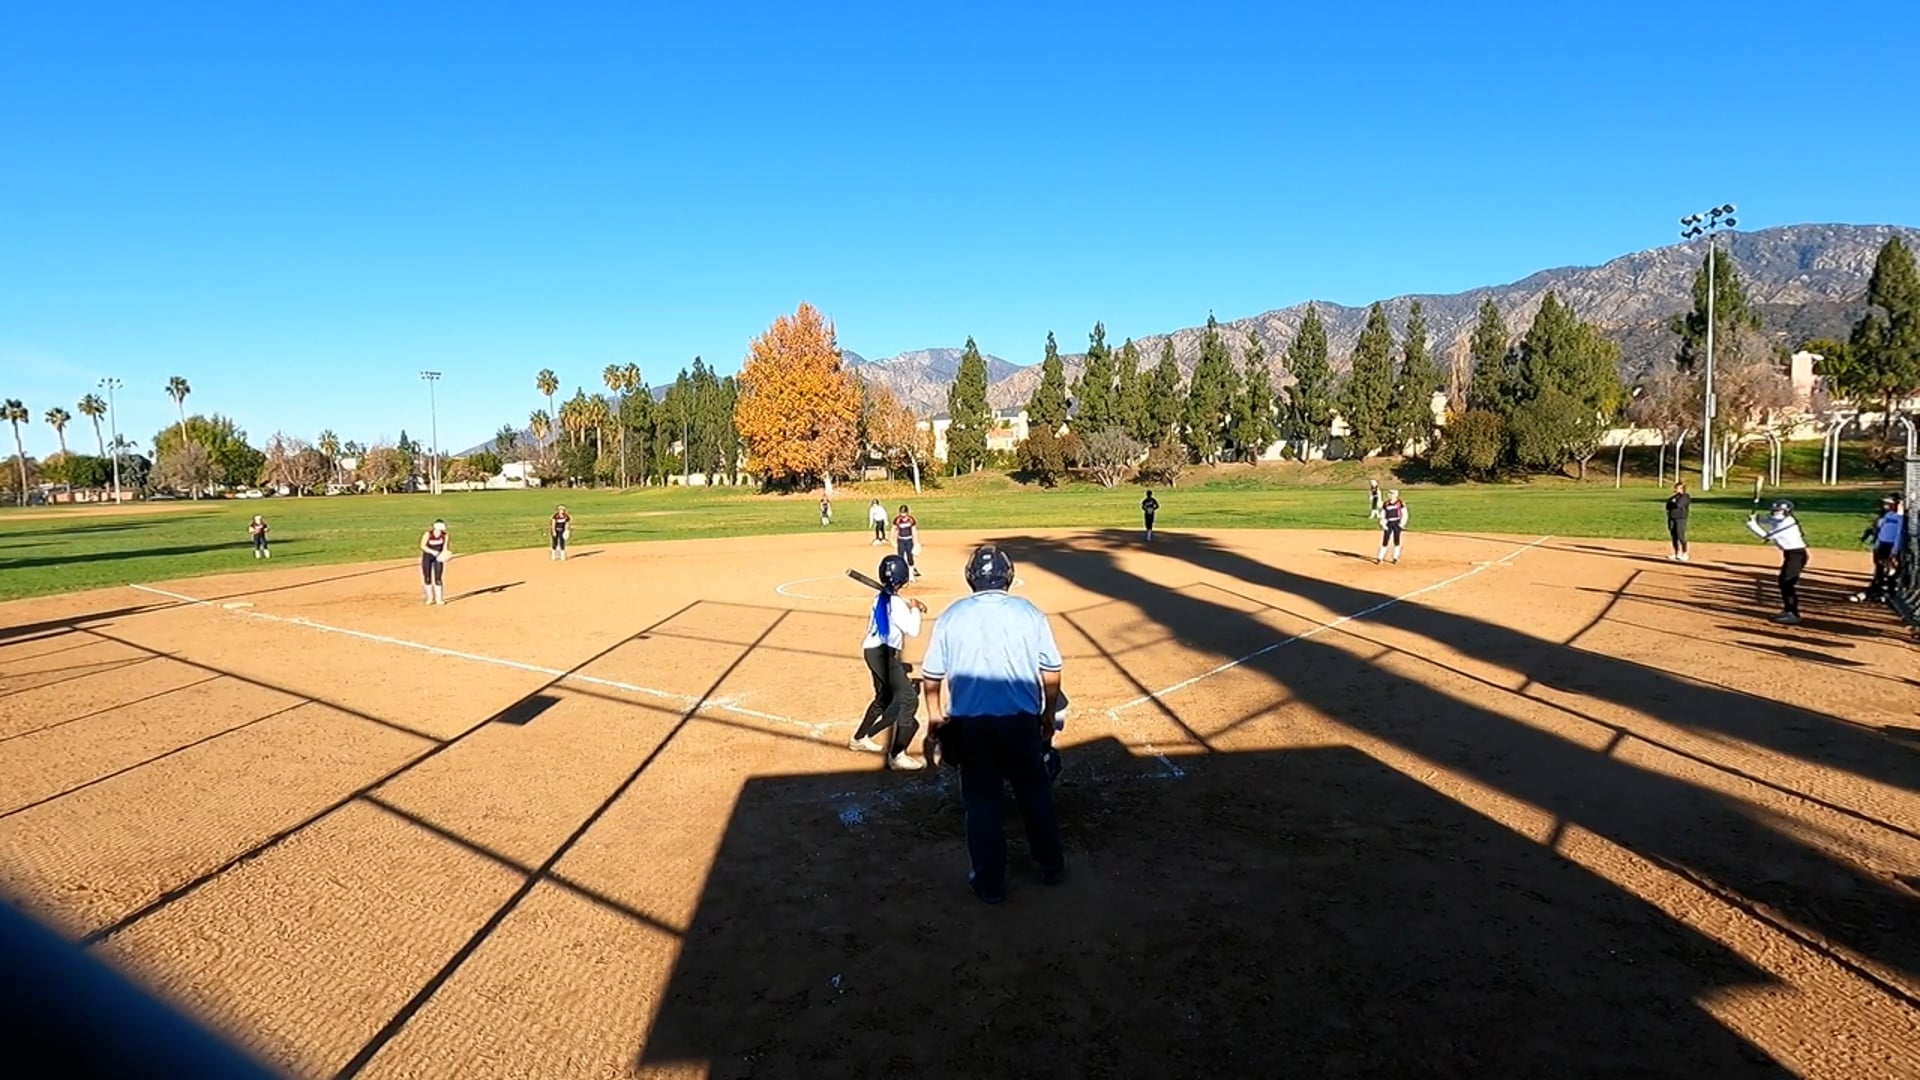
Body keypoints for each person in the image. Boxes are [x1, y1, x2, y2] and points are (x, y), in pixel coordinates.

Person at [920, 545, 1065, 904]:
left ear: (971, 577)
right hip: (1020, 723)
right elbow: (1051, 669)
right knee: (1035, 794)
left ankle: (989, 884)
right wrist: (1048, 712)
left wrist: (934, 716)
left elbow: (931, 676)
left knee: (982, 804)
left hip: (971, 728)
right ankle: (1051, 866)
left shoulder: (951, 616)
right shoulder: (1029, 612)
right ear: (1008, 576)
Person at [850, 554, 927, 770]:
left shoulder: (881, 597)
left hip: (872, 651)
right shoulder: (895, 602)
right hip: (882, 654)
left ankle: (858, 739)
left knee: (884, 698)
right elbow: (913, 629)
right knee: (908, 699)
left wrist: (910, 607)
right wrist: (915, 608)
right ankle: (897, 755)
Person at [1746, 499, 1808, 625]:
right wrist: (1755, 518)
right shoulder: (1781, 519)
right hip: (1791, 555)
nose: (1775, 512)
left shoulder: (1786, 522)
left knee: (1786, 583)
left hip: (1796, 555)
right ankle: (1788, 610)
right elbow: (1768, 520)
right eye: (1774, 510)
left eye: (1778, 510)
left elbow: (1766, 537)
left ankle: (1793, 614)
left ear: (1786, 511)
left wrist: (1753, 526)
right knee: (1783, 582)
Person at [1851, 494, 1906, 603]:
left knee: (1890, 570)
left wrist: (1895, 550)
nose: (1886, 505)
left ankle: (1888, 592)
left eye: (1890, 503)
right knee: (1879, 569)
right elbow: (1880, 529)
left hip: (1891, 546)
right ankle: (1876, 591)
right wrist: (1876, 542)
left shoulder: (1900, 517)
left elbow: (1899, 533)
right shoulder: (1887, 515)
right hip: (1881, 545)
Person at [419, 519, 451, 606]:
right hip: (427, 557)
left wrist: (445, 555)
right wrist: (433, 552)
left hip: (438, 558)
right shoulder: (428, 534)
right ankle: (430, 598)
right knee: (427, 577)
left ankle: (439, 599)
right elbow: (422, 546)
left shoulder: (445, 535)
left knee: (438, 577)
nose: (440, 531)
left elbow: (445, 547)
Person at [1375, 490, 1407, 564]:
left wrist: (1402, 523)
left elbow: (1404, 514)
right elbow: (1383, 514)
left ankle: (1395, 557)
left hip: (1397, 522)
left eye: (1393, 494)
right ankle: (1380, 557)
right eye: (1390, 494)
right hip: (1388, 522)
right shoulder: (1386, 503)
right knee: (1385, 539)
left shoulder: (1400, 503)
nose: (1391, 495)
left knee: (1396, 539)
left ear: (1396, 495)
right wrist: (1383, 523)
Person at [1664, 481, 1691, 562]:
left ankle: (1685, 553)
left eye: (1677, 488)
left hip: (1680, 518)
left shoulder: (1685, 497)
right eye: (1675, 488)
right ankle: (1676, 553)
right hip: (1672, 518)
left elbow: (1679, 505)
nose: (1675, 489)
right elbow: (1667, 506)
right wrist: (1673, 503)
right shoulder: (1673, 497)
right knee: (1674, 536)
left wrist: (1673, 503)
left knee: (1680, 536)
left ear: (1682, 489)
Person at [893, 504, 920, 579]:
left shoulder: (911, 520)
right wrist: (892, 540)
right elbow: (894, 529)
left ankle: (911, 574)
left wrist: (916, 542)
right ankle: (902, 574)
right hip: (901, 540)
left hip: (909, 540)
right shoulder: (898, 520)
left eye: (904, 513)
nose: (903, 514)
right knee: (900, 557)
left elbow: (914, 531)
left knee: (910, 557)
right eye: (901, 513)